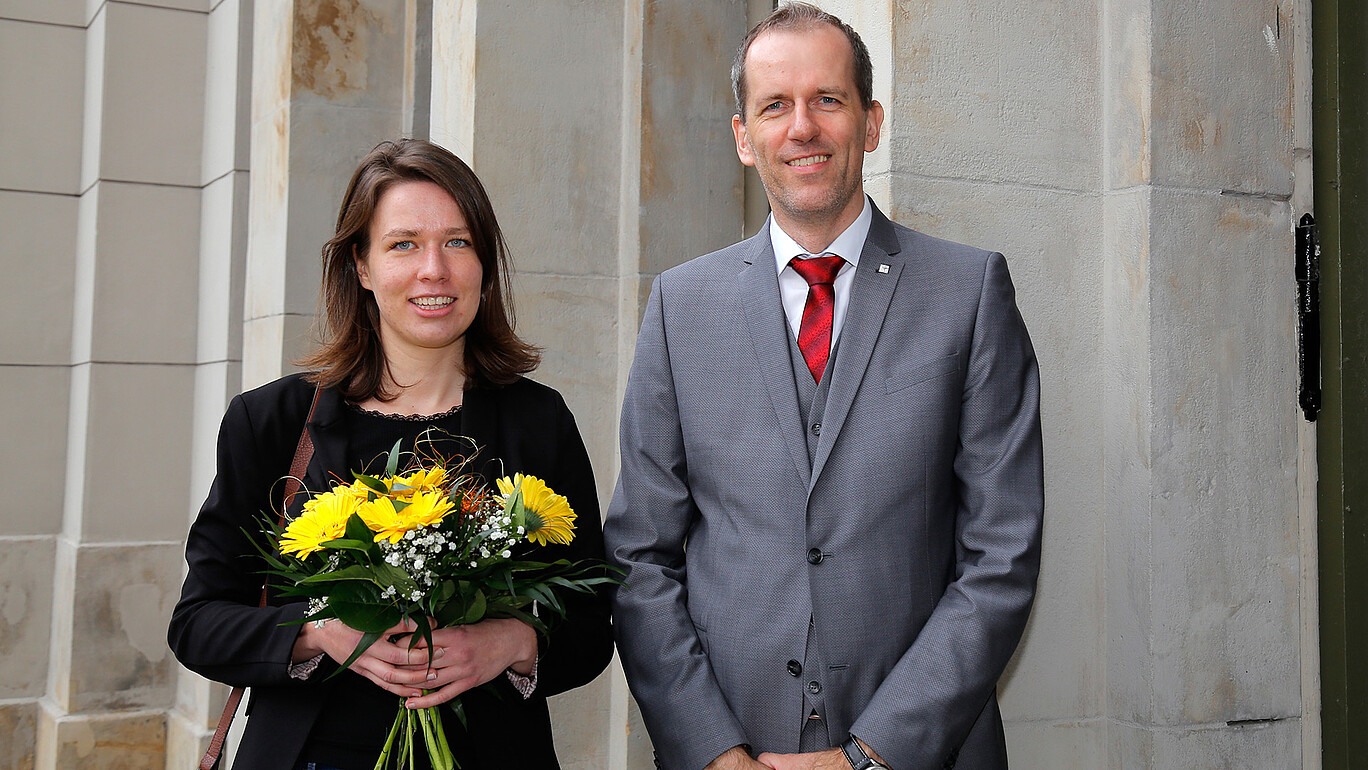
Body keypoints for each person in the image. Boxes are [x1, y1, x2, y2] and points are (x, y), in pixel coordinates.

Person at [603, 4, 1043, 770]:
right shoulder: (681, 306)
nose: (802, 127)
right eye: (775, 105)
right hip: (731, 747)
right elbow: (640, 558)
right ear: (745, 137)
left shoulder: (968, 293)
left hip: (920, 753)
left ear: (870, 123)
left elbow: (1000, 556)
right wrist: (714, 751)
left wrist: (871, 755)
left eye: (827, 100)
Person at [168, 138, 613, 770]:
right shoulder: (270, 422)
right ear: (361, 265)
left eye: (457, 242)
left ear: (484, 264)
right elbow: (197, 623)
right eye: (403, 244)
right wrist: (318, 631)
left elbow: (592, 627)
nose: (434, 269)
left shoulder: (538, 421)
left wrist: (510, 642)